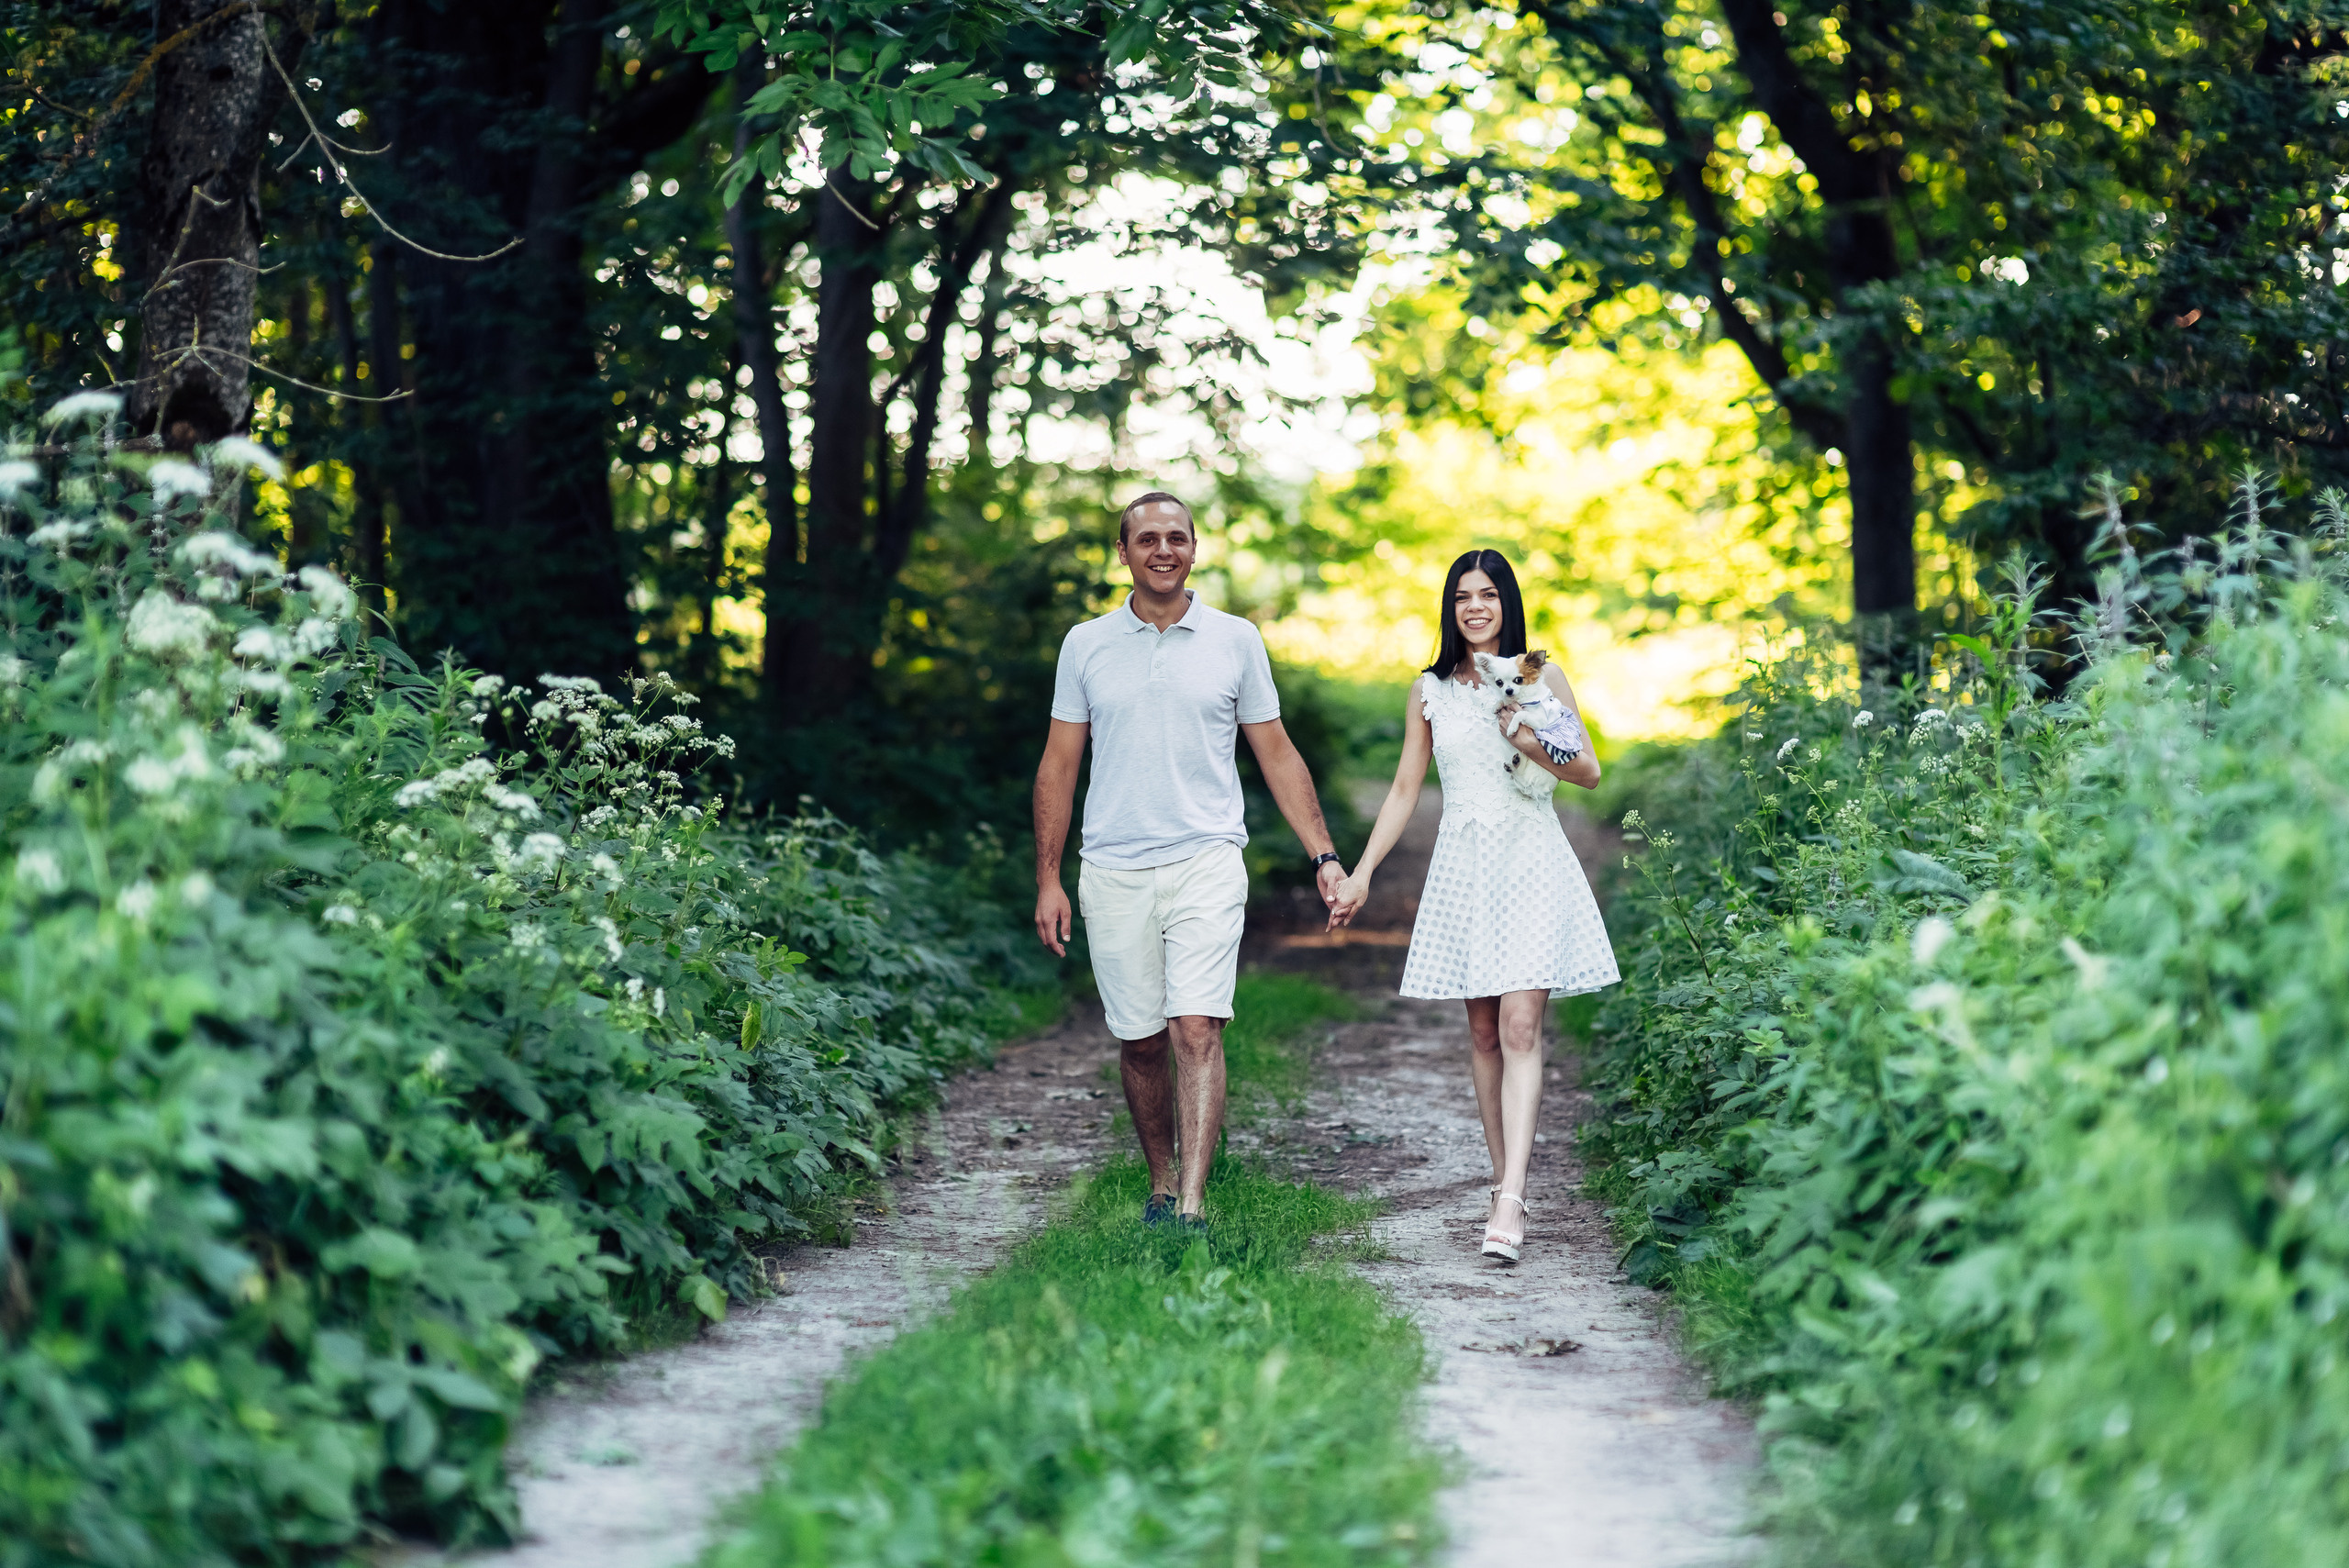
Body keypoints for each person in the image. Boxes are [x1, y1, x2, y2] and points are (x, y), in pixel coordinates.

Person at [1032, 492, 1348, 1229]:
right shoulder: (1086, 644)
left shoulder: (1235, 640)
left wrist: (1324, 855)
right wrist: (1049, 878)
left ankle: (1194, 1207)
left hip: (1207, 856)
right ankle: (1162, 1180)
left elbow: (1275, 750)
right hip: (1113, 865)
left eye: (1177, 537)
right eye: (1147, 539)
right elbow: (1057, 764)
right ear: (1124, 552)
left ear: (1196, 548)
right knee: (1140, 1040)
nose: (1163, 549)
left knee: (1197, 1027)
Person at [1327, 549, 1619, 1262]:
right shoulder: (1430, 688)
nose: (1475, 606)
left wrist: (1524, 733)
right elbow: (1403, 789)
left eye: (1488, 594)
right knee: (1485, 1033)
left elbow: (1587, 769)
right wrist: (1362, 871)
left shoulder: (1539, 677)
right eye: (1463, 596)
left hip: (1530, 861)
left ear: (1507, 601)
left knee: (1522, 1027)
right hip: (1465, 866)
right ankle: (1501, 1179)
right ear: (1451, 608)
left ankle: (1512, 1198)